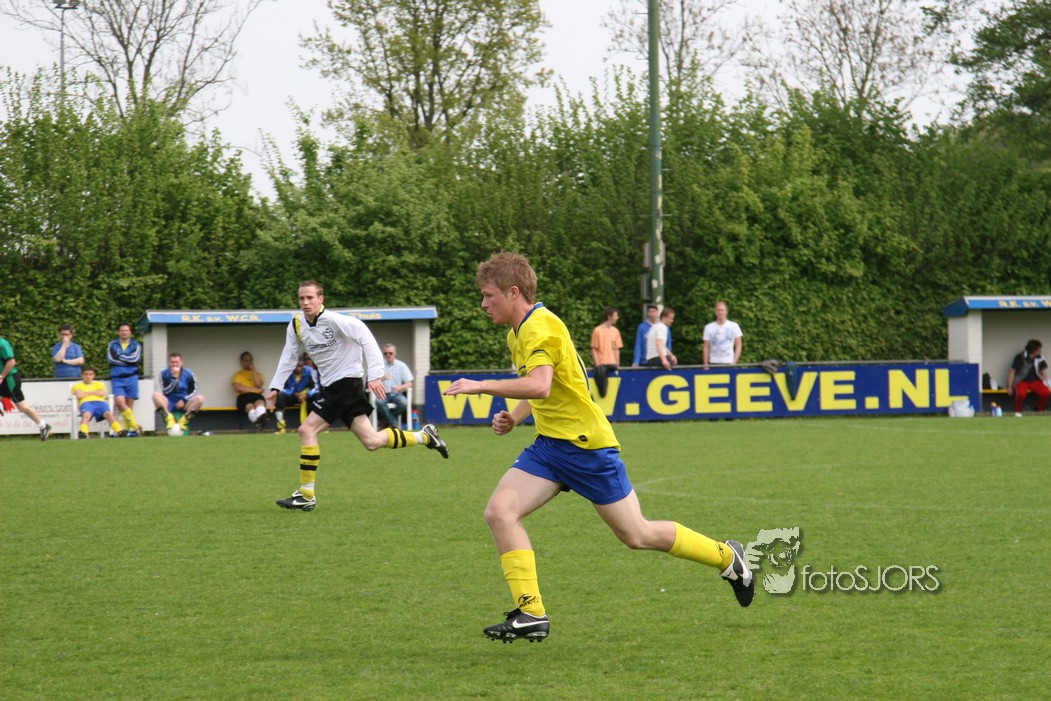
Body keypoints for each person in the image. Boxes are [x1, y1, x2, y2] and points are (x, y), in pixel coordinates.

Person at [442, 252, 754, 643]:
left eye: (489, 295)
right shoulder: (517, 332)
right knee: (499, 512)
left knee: (637, 535)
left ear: (514, 292)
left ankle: (728, 557)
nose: (483, 303)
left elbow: (539, 385)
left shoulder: (541, 327)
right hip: (550, 448)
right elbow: (550, 387)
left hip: (586, 448)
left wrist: (480, 385)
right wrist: (516, 417)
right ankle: (531, 612)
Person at [266, 280, 449, 512]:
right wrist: (276, 387)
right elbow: (289, 357)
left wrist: (375, 374)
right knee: (372, 441)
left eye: (310, 297)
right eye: (302, 298)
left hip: (346, 384)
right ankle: (425, 436)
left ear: (321, 299)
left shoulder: (334, 320)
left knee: (306, 430)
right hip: (333, 387)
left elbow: (365, 336)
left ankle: (306, 494)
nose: (305, 302)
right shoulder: (296, 325)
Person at [0, 335, 52, 440]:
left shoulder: (2, 344)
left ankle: (43, 425)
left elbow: (11, 362)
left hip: (9, 379)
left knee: (22, 407)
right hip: (3, 379)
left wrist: (2, 376)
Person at [151, 352, 206, 433]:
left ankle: (185, 420)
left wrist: (184, 400)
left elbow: (195, 389)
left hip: (184, 401)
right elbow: (165, 390)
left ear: (181, 362)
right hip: (169, 401)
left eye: (177, 362)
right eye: (172, 362)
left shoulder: (188, 373)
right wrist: (174, 379)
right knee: (155, 395)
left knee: (200, 398)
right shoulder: (163, 374)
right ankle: (168, 418)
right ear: (169, 363)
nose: (175, 364)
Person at [107, 322, 143, 436]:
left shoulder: (136, 345)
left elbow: (135, 359)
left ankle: (128, 431)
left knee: (129, 405)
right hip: (117, 378)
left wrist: (119, 356)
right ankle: (135, 426)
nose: (124, 332)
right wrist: (127, 360)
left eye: (126, 330)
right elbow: (111, 359)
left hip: (132, 377)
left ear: (130, 332)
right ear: (118, 332)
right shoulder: (112, 344)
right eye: (122, 330)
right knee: (119, 401)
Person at [70, 365, 124, 438]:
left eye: (90, 374)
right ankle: (83, 433)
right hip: (86, 403)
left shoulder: (99, 384)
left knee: (108, 414)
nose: (88, 376)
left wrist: (86, 393)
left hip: (100, 402)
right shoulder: (77, 385)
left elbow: (102, 393)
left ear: (93, 375)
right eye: (86, 374)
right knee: (86, 415)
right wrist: (94, 392)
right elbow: (79, 395)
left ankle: (119, 431)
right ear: (82, 375)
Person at [273, 354, 319, 434]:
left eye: (300, 366)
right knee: (280, 397)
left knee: (317, 396)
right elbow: (282, 388)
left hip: (305, 396)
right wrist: (294, 394)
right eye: (296, 366)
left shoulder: (309, 370)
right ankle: (280, 427)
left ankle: (316, 426)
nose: (298, 368)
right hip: (292, 396)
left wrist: (307, 395)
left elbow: (315, 387)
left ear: (303, 365)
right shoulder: (287, 371)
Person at [1006, 339, 1050, 416]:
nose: (1040, 351)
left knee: (1046, 392)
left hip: (1035, 381)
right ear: (1033, 350)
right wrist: (1009, 387)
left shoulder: (1040, 358)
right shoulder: (1020, 357)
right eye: (1039, 350)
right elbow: (1012, 372)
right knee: (1021, 394)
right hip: (1021, 380)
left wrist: (1047, 383)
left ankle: (1039, 410)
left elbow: (1043, 371)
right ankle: (1017, 411)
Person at [375, 343, 414, 429]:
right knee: (379, 402)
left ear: (395, 353)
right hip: (383, 393)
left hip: (396, 394)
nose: (388, 355)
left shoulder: (401, 365)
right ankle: (394, 423)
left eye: (390, 353)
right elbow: (373, 381)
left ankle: (386, 421)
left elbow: (410, 383)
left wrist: (399, 387)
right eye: (385, 353)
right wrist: (382, 378)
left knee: (403, 403)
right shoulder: (380, 365)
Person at [590, 307, 623, 398]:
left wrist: (617, 364)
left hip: (612, 364)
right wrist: (597, 364)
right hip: (602, 363)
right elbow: (594, 348)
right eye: (616, 316)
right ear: (609, 317)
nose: (617, 318)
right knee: (602, 387)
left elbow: (616, 349)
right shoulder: (597, 331)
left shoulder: (615, 331)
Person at [232, 351, 270, 430]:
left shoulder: (258, 374)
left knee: (260, 403)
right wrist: (255, 389)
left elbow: (259, 385)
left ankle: (261, 421)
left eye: (250, 360)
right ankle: (260, 422)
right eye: (246, 360)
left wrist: (253, 370)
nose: (249, 362)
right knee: (250, 407)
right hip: (243, 396)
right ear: (242, 362)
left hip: (256, 395)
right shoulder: (238, 374)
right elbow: (238, 388)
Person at [703, 301, 743, 367]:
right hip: (713, 362)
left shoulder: (734, 326)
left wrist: (734, 362)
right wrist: (705, 365)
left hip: (729, 362)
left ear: (726, 311)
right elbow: (706, 347)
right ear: (715, 312)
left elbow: (739, 345)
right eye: (718, 310)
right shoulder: (708, 327)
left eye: (722, 310)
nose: (720, 312)